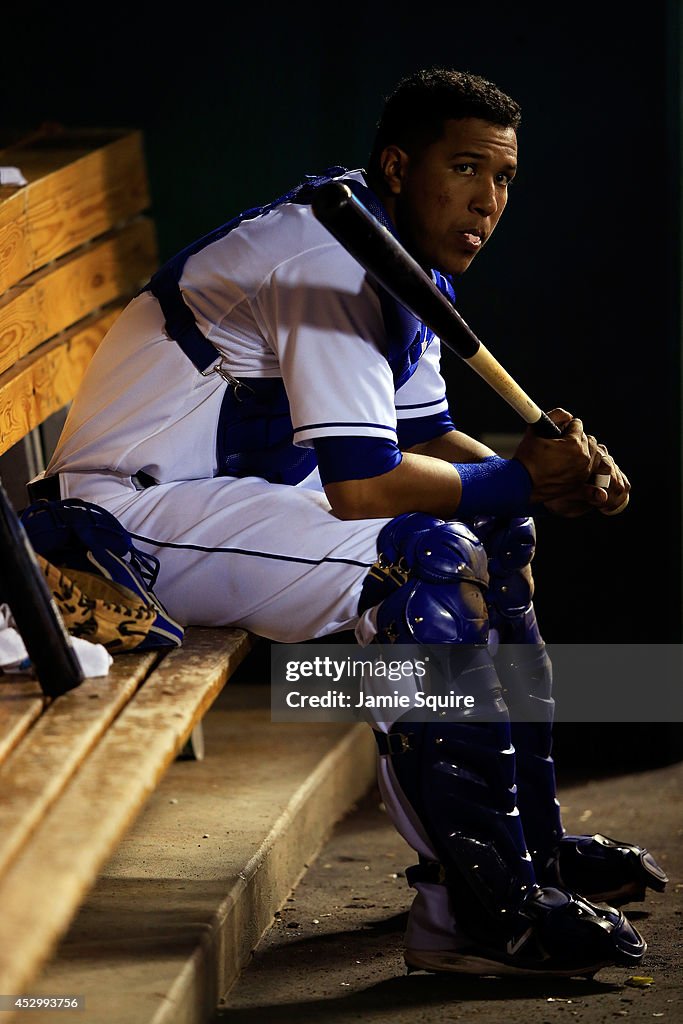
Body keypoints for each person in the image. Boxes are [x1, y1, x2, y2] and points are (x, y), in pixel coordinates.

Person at [33, 66, 666, 977]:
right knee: (425, 563)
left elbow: (419, 436)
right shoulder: (326, 256)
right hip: (126, 526)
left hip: (229, 503)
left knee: (494, 535)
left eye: (502, 180)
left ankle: (526, 850)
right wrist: (516, 480)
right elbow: (364, 487)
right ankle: (473, 913)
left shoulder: (392, 254)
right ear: (399, 167)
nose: (485, 201)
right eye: (464, 170)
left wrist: (548, 477)